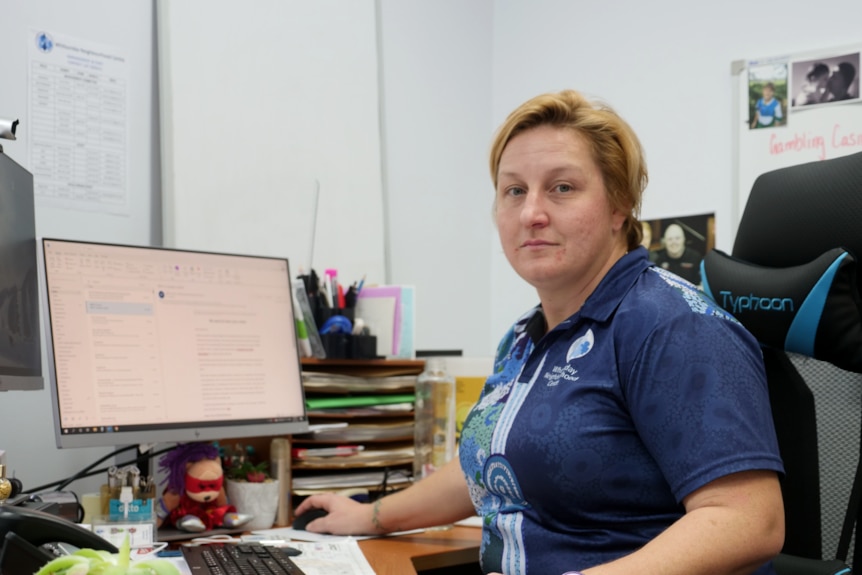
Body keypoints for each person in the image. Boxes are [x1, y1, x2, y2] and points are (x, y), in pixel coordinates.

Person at [294, 89, 785, 575]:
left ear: (620, 206)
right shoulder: (525, 337)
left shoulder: (672, 325)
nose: (531, 213)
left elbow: (747, 520)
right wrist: (370, 516)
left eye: (562, 187)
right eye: (514, 191)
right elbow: (488, 467)